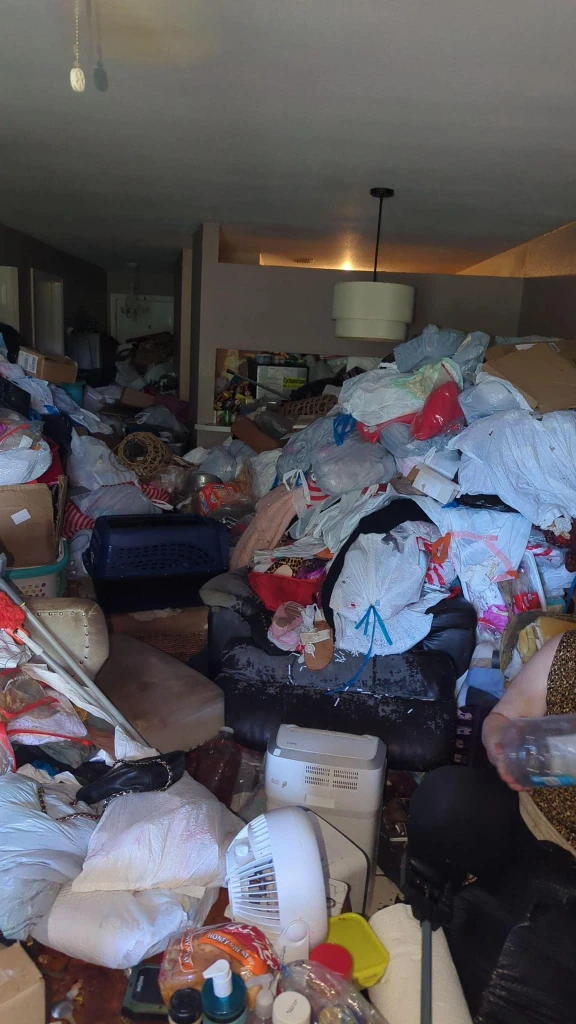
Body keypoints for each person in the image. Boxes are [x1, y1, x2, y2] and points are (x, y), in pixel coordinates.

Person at [406, 630, 576, 1020]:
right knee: (445, 798)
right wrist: (501, 743)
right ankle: (431, 894)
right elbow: (500, 719)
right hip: (528, 819)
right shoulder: (567, 651)